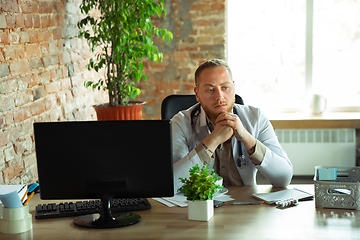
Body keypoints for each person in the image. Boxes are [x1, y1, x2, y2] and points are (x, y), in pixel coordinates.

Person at [171, 59, 293, 193]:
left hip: (244, 205)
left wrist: (247, 138)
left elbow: (284, 178)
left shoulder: (256, 118)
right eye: (210, 90)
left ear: (233, 88)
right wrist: (214, 139)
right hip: (200, 207)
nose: (219, 96)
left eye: (225, 88)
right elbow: (173, 184)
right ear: (197, 94)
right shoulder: (181, 122)